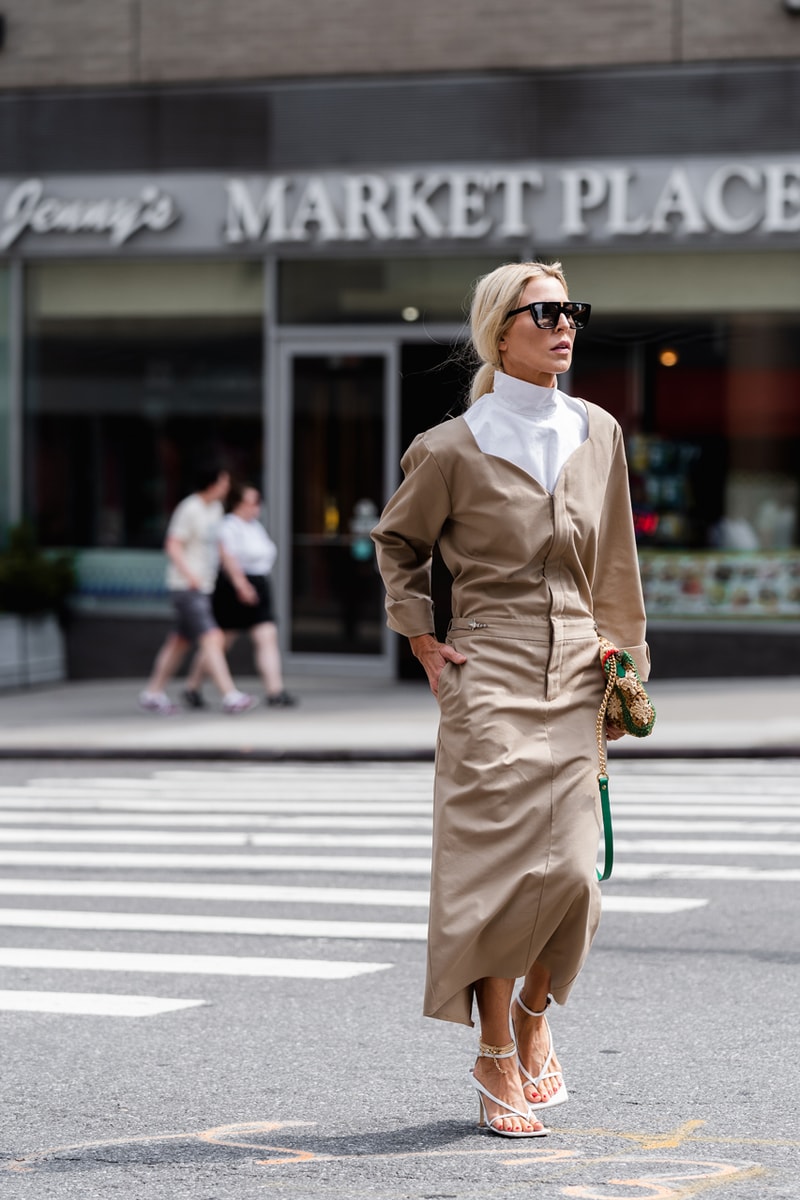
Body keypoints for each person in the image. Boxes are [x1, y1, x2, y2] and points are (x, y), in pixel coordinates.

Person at [371, 261, 649, 1138]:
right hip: (485, 669)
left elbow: (614, 565)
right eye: (545, 312)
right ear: (502, 330)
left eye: (571, 311)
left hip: (575, 665)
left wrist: (627, 664)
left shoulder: (596, 430)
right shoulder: (450, 447)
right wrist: (421, 636)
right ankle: (494, 1045)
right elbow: (399, 542)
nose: (565, 325)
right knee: (491, 873)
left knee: (572, 872)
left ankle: (535, 1011)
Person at [138, 465, 257, 715]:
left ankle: (153, 692)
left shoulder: (214, 510)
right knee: (213, 637)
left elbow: (221, 548)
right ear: (211, 484)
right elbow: (172, 545)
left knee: (179, 642)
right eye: (223, 483)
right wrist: (190, 576)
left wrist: (238, 581)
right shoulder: (189, 508)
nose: (226, 488)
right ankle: (230, 695)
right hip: (188, 587)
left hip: (204, 586)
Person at [181, 482, 297, 709]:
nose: (257, 507)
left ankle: (275, 691)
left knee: (266, 635)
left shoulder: (255, 527)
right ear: (238, 503)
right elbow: (229, 559)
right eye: (252, 502)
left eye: (258, 502)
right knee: (221, 641)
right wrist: (242, 586)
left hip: (259, 583)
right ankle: (192, 686)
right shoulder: (228, 526)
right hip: (233, 587)